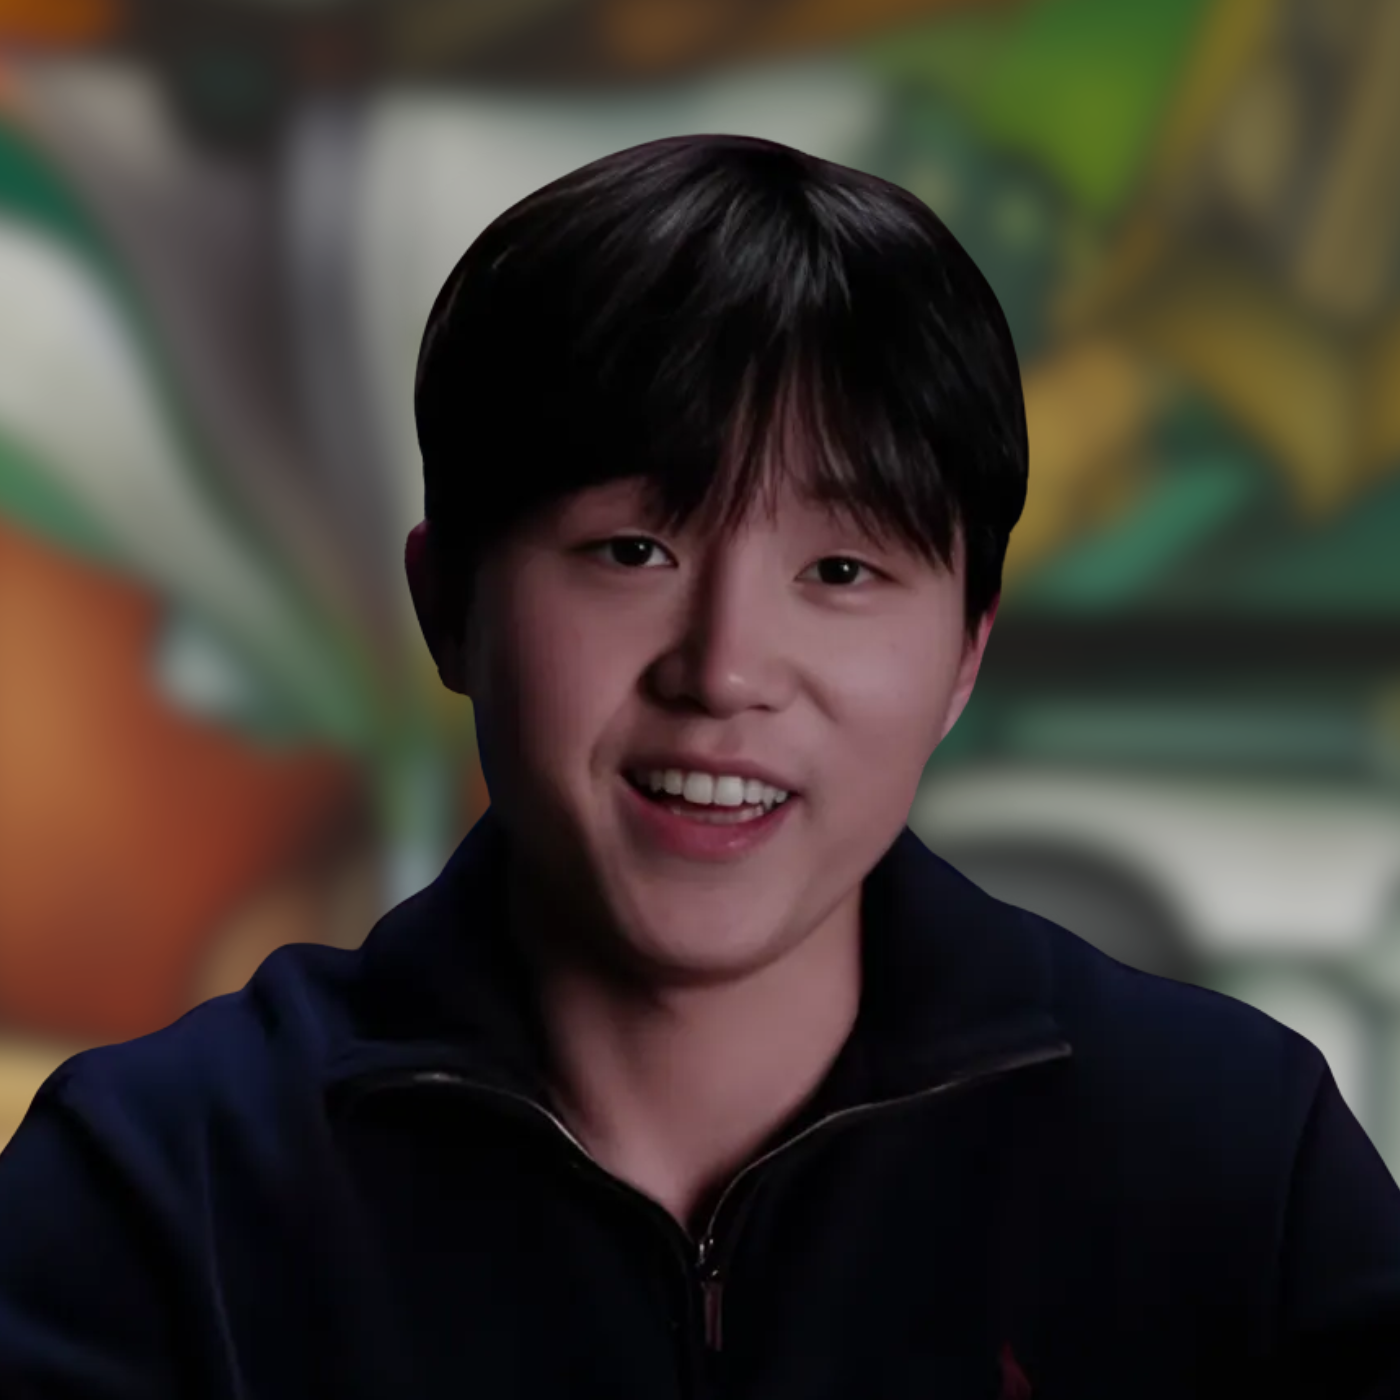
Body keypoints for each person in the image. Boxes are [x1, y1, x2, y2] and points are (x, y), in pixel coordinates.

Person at [1, 133, 1398, 1400]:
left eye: (840, 571)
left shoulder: (1235, 1163)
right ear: (448, 606)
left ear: (968, 653)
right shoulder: (158, 1190)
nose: (724, 671)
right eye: (633, 551)